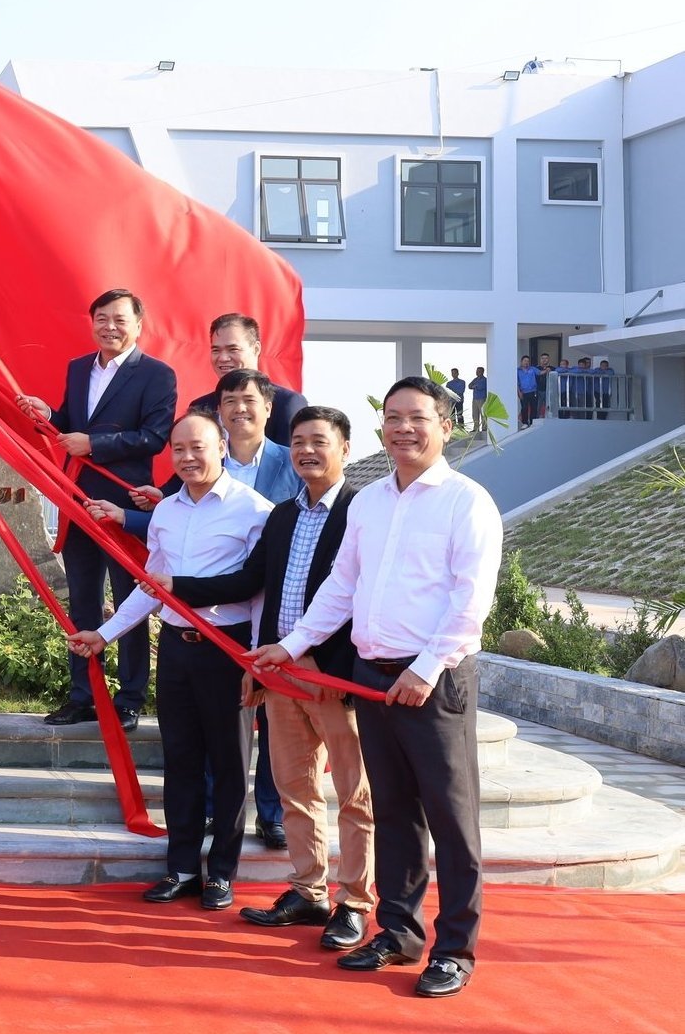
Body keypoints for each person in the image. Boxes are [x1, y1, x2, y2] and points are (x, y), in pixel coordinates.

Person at [248, 378, 502, 999]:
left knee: (451, 818)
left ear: (445, 425)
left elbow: (472, 601)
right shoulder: (369, 503)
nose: (403, 429)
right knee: (392, 813)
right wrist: (293, 643)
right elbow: (340, 588)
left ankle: (455, 950)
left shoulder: (467, 502)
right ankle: (398, 932)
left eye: (418, 418)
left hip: (432, 684)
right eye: (393, 418)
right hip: (371, 678)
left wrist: (426, 668)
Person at [160, 405, 374, 952]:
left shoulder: (363, 511)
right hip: (281, 671)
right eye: (299, 440)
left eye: (319, 441)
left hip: (337, 675)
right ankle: (308, 890)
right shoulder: (281, 515)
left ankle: (354, 902)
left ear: (345, 448)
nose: (306, 450)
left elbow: (365, 596)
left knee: (355, 795)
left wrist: (342, 669)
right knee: (294, 786)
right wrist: (173, 587)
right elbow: (252, 583)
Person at [67, 412, 271, 910]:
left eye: (197, 447)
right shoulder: (167, 512)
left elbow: (261, 593)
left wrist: (257, 661)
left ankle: (221, 873)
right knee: (179, 761)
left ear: (222, 446)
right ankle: (180, 867)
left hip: (229, 649)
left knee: (228, 766)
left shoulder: (255, 510)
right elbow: (152, 588)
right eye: (178, 449)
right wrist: (104, 635)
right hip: (178, 651)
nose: (187, 458)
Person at [15, 288, 177, 732]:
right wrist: (49, 413)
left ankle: (129, 699)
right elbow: (72, 425)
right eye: (102, 318)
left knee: (129, 602)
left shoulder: (157, 375)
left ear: (139, 324)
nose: (110, 327)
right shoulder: (78, 368)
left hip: (124, 504)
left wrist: (96, 445)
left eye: (120, 319)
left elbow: (156, 436)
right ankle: (84, 695)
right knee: (82, 603)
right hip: (78, 499)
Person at [185, 313, 308, 444]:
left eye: (233, 349)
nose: (223, 358)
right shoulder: (201, 407)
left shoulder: (287, 403)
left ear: (256, 349)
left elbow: (292, 460)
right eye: (216, 350)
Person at [515, 355, 538, 428]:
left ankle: (532, 422)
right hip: (523, 392)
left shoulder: (532, 369)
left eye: (528, 361)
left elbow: (540, 373)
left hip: (533, 391)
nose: (526, 362)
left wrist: (547, 370)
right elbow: (516, 383)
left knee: (534, 408)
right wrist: (519, 392)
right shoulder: (517, 371)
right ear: (521, 362)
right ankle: (524, 422)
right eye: (525, 361)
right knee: (524, 408)